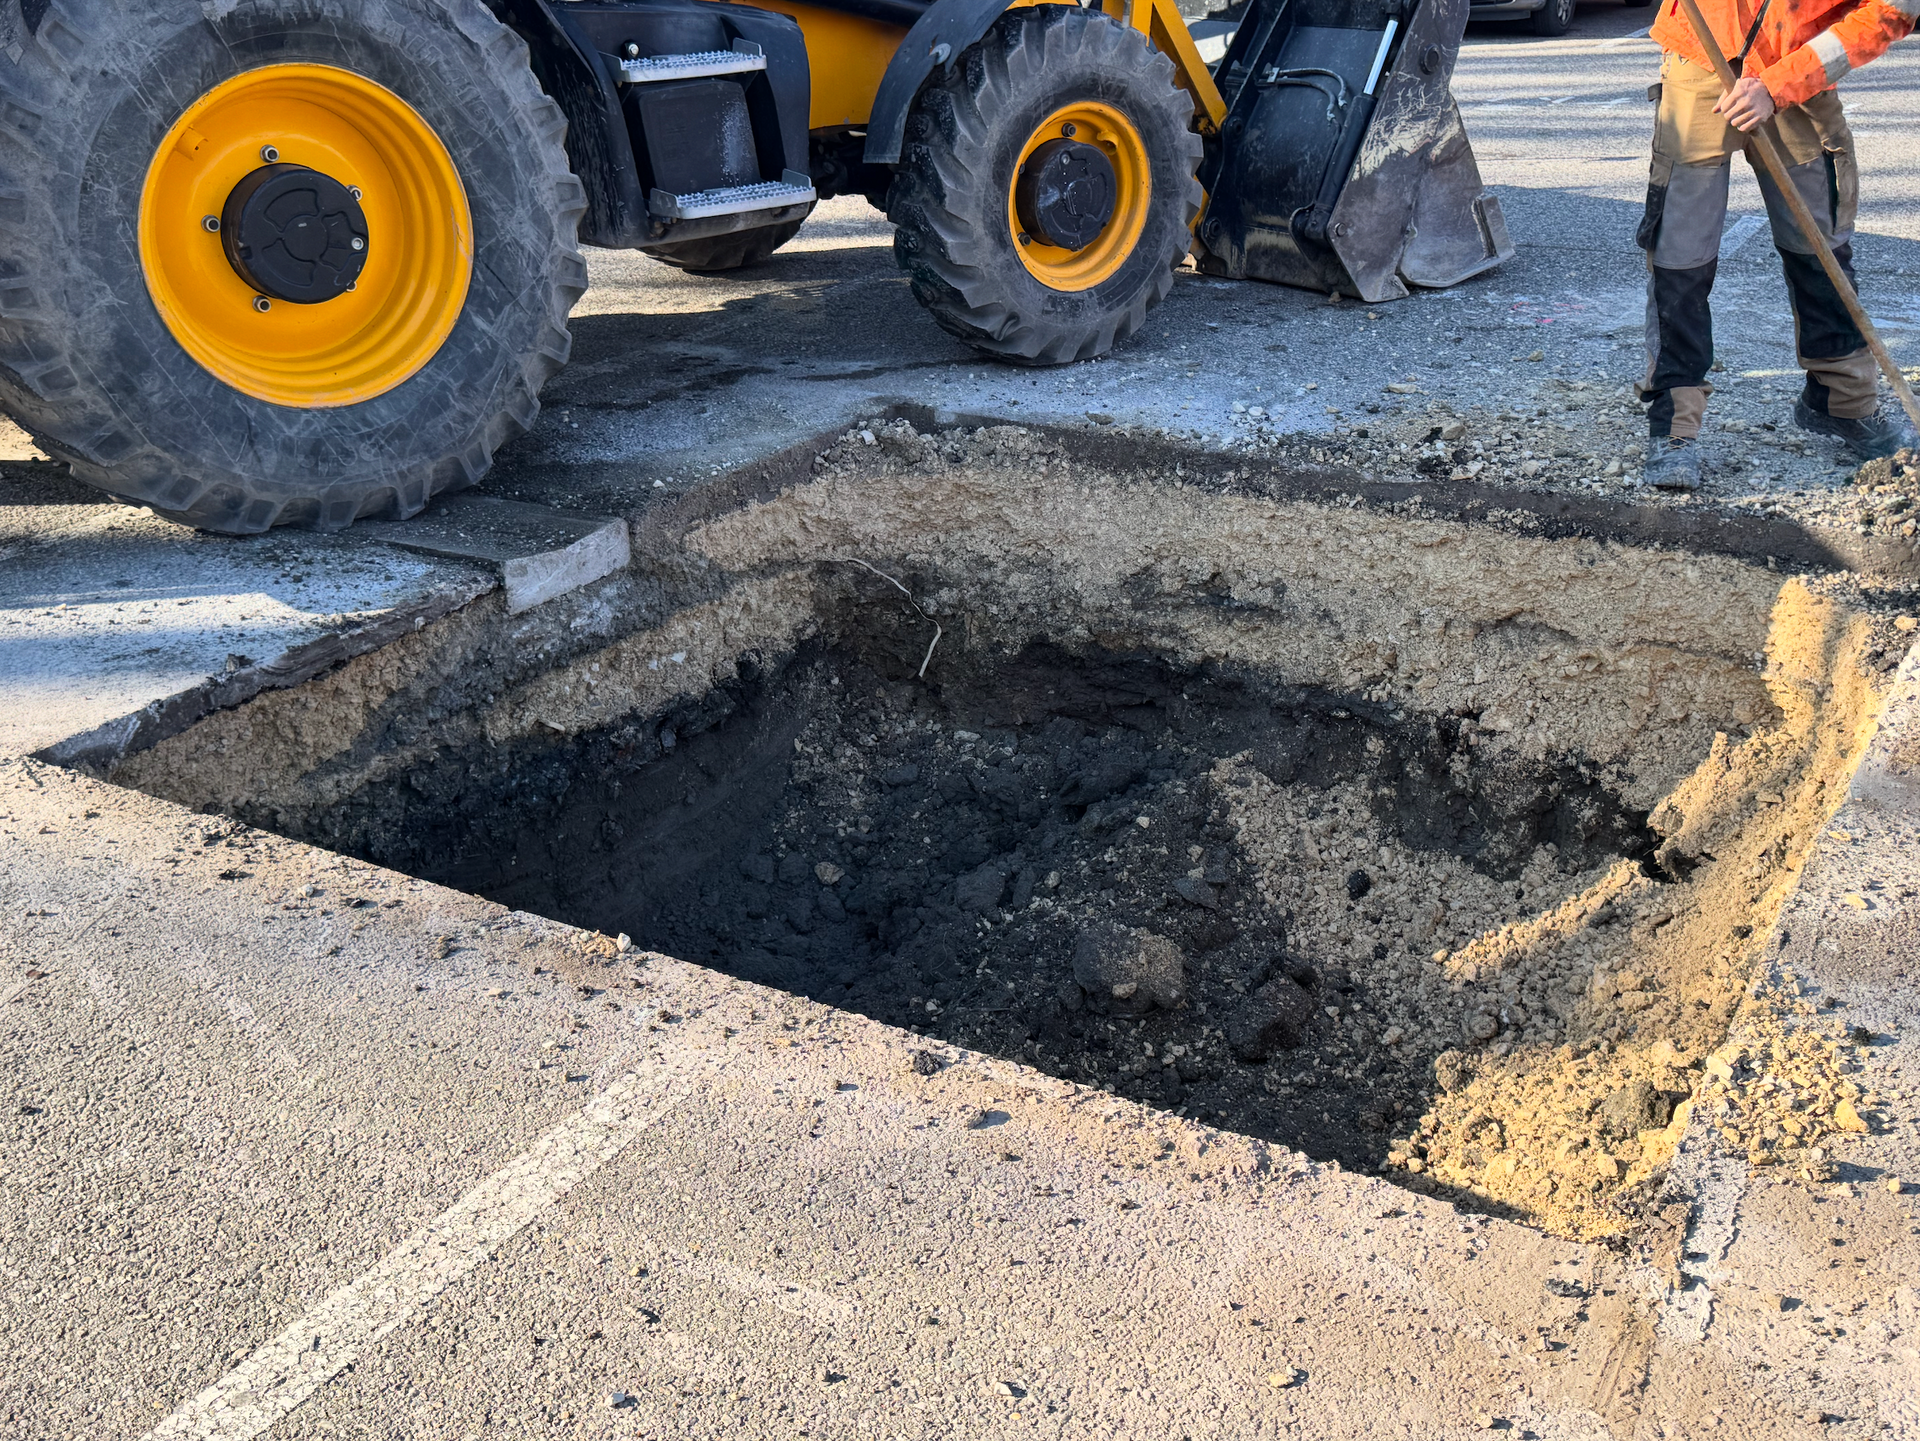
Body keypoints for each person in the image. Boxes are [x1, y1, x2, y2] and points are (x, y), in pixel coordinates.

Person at [1636, 0, 1917, 490]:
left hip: (1800, 74)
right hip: (1700, 59)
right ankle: (1675, 425)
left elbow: (1892, 10)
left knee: (1820, 253)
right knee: (1681, 256)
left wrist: (1778, 84)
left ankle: (1840, 403)